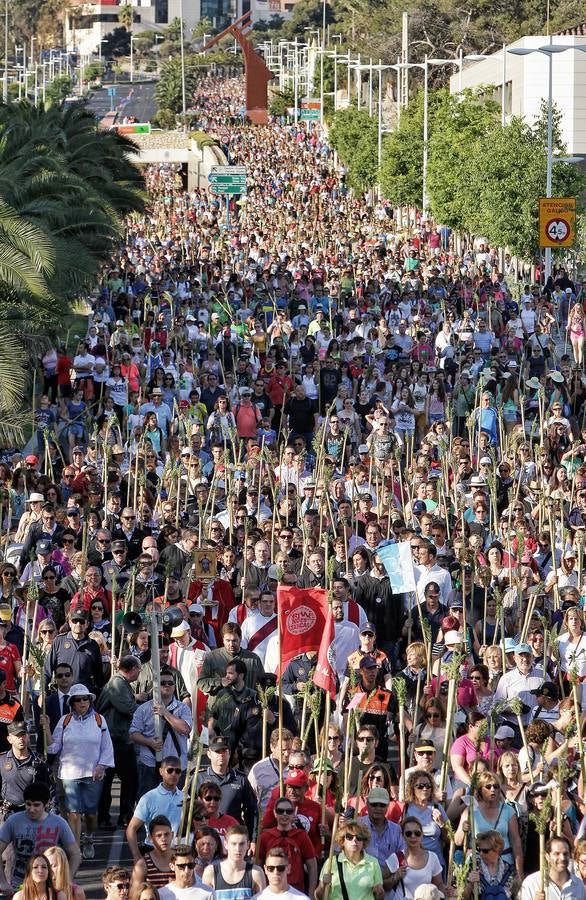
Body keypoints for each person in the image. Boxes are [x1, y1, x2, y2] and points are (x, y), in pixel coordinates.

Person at [42, 682, 114, 859]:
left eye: (85, 699)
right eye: (78, 699)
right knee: (74, 813)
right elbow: (53, 748)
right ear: (72, 703)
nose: (82, 702)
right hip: (69, 774)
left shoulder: (99, 720)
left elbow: (107, 747)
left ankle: (88, 837)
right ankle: (75, 851)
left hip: (93, 774)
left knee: (90, 814)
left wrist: (101, 766)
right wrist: (46, 729)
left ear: (90, 701)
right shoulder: (64, 720)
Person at [0, 782, 80, 891]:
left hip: (50, 885)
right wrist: (3, 881)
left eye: (36, 805)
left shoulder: (59, 823)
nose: (31, 809)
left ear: (46, 804)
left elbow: (75, 854)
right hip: (20, 885)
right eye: (28, 804)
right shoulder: (13, 821)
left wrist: (67, 880)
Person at [96, 654, 141, 829]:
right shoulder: (117, 683)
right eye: (139, 669)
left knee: (129, 780)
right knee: (112, 781)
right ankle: (105, 818)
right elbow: (126, 707)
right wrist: (146, 710)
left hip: (121, 739)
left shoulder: (123, 684)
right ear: (133, 669)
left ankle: (125, 816)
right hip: (114, 741)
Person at [126, 757, 184, 863]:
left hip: (177, 853)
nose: (174, 774)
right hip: (153, 851)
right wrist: (137, 856)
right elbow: (131, 828)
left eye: (177, 771)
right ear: (161, 771)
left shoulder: (185, 798)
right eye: (170, 770)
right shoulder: (149, 798)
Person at [257, 796, 317, 895]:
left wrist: (311, 893)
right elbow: (258, 866)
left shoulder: (301, 836)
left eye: (288, 811)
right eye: (280, 811)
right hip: (272, 891)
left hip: (297, 892)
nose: (284, 814)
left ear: (293, 814)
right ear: (275, 813)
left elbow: (312, 866)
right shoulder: (265, 837)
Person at [314, 820, 383, 900]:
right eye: (349, 837)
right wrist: (323, 885)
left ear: (363, 842)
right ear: (342, 841)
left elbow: (380, 898)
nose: (354, 840)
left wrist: (379, 892)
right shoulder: (331, 862)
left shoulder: (373, 863)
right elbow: (318, 896)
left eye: (359, 837)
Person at [202, 824, 266, 897]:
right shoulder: (211, 872)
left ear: (248, 845)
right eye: (234, 844)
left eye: (242, 844)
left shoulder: (256, 872)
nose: (238, 849)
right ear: (225, 844)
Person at [520, 834, 585, 898]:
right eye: (557, 854)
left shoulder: (578, 885)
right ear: (547, 856)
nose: (562, 858)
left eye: (565, 854)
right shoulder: (532, 883)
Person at [132, 815, 174, 890]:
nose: (163, 839)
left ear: (172, 835)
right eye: (159, 835)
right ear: (150, 838)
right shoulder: (143, 864)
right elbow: (134, 895)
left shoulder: (181, 860)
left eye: (166, 834)